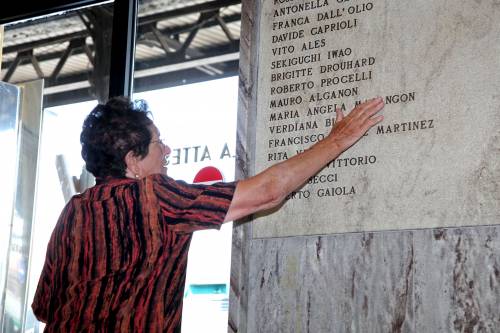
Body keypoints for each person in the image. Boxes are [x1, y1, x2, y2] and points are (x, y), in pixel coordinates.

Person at [32, 96, 384, 332]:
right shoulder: (155, 197)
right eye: (158, 143)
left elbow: (44, 308)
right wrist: (338, 139)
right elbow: (267, 192)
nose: (167, 150)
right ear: (133, 161)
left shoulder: (73, 212)